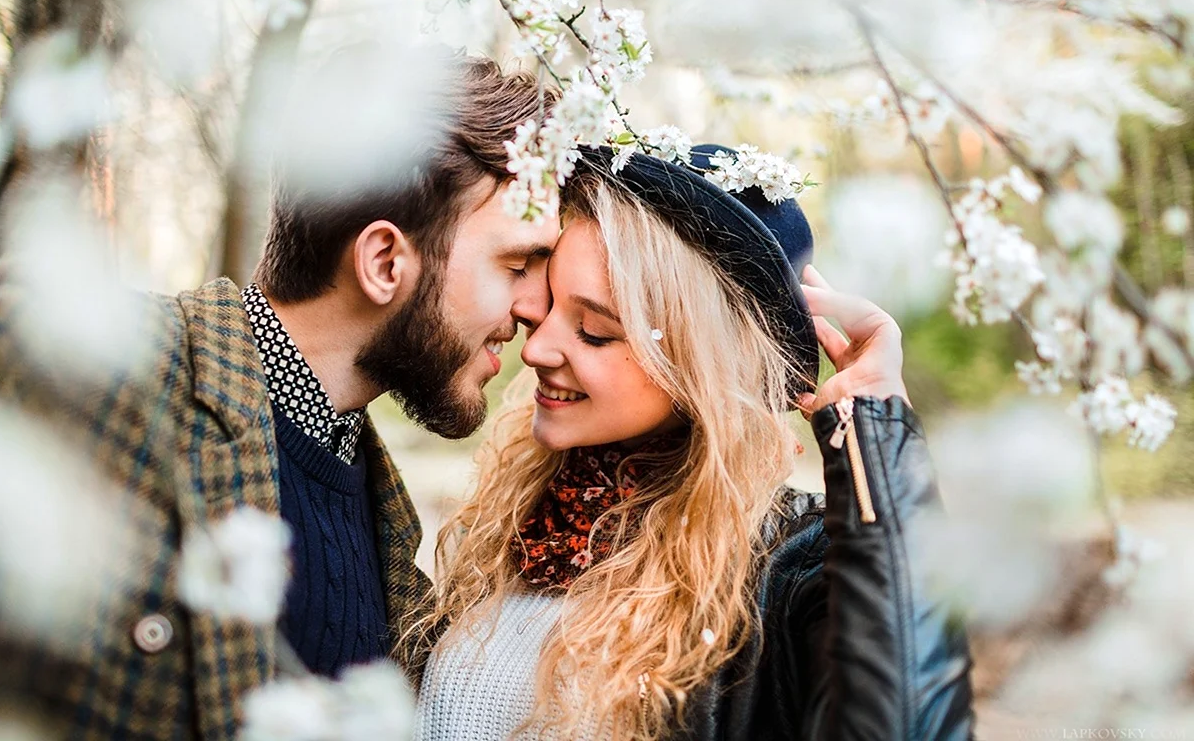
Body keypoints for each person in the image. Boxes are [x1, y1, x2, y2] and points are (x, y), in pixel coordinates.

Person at [0, 53, 558, 740]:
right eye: (517, 263)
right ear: (385, 262)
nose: (535, 306)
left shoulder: (388, 527)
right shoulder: (99, 369)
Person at [412, 145, 975, 740]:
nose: (535, 350)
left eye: (595, 331)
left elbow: (910, 722)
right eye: (548, 307)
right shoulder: (516, 527)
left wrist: (876, 441)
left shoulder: (790, 569)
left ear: (696, 361)